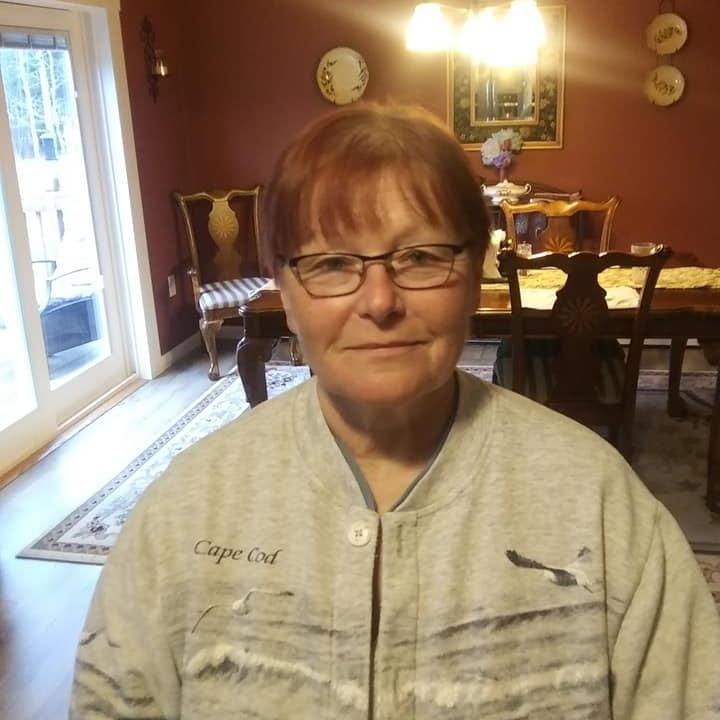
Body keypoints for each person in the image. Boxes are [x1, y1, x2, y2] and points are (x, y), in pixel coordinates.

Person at [70, 103, 720, 720]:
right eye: (331, 263)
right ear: (285, 293)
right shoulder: (182, 513)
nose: (380, 301)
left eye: (421, 257)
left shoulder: (602, 507)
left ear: (475, 276)